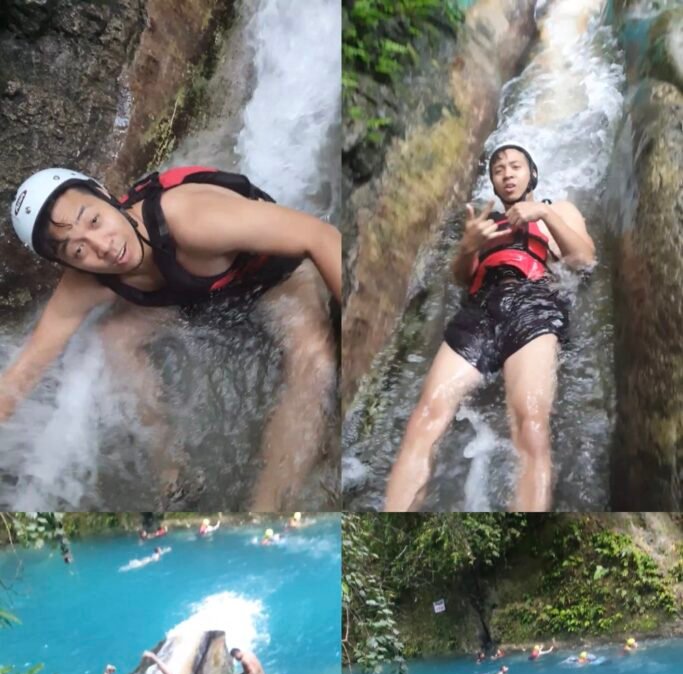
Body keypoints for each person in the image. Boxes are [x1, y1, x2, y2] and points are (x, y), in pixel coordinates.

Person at [3, 165, 341, 510]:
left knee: (315, 363)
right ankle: (173, 475)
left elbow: (319, 236)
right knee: (113, 338)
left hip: (270, 278)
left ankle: (266, 511)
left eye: (94, 221)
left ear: (105, 194)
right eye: (77, 250)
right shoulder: (84, 281)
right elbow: (25, 369)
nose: (102, 246)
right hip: (195, 295)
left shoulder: (193, 219)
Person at [385, 143, 595, 512]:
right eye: (499, 169)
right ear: (493, 183)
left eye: (515, 166)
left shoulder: (558, 210)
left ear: (532, 174)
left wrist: (545, 214)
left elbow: (584, 260)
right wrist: (468, 247)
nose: (507, 173)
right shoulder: (483, 224)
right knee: (426, 415)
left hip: (533, 302)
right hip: (480, 309)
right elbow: (462, 279)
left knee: (531, 421)